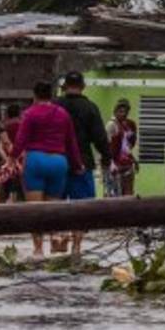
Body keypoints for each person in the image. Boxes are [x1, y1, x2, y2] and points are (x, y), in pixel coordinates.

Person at [11, 80, 83, 259]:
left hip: (36, 160)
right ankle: (57, 241)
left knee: (35, 209)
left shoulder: (29, 113)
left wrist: (12, 158)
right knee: (52, 208)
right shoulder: (63, 114)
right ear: (51, 95)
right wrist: (77, 165)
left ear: (34, 96)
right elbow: (71, 142)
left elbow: (20, 140)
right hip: (59, 162)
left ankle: (38, 250)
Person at [56, 71, 111, 257]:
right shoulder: (90, 107)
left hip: (58, 161)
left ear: (64, 87)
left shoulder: (55, 105)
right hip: (82, 163)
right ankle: (77, 246)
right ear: (83, 86)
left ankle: (59, 238)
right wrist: (107, 157)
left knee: (56, 204)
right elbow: (100, 137)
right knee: (82, 207)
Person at [105, 98, 138, 197]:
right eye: (121, 111)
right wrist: (110, 163)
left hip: (126, 164)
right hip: (114, 165)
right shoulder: (111, 125)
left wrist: (133, 159)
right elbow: (106, 145)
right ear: (115, 111)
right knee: (113, 194)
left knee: (128, 194)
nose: (123, 114)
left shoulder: (128, 125)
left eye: (126, 111)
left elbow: (127, 147)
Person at [0, 103, 25, 203]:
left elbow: (0, 147)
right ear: (19, 113)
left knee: (6, 188)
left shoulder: (3, 126)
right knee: (22, 189)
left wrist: (7, 160)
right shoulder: (23, 125)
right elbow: (25, 145)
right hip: (22, 160)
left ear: (7, 114)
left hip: (7, 161)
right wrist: (18, 160)